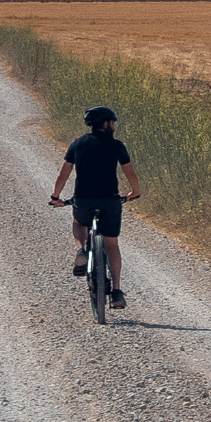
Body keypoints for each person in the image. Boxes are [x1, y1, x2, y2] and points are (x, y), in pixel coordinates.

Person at [49, 104, 141, 307]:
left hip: (83, 199)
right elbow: (130, 173)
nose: (114, 126)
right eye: (113, 123)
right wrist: (134, 192)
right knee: (111, 244)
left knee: (79, 223)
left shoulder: (77, 144)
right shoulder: (117, 146)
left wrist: (56, 196)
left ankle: (81, 250)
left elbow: (63, 173)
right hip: (110, 201)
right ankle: (116, 291)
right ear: (106, 123)